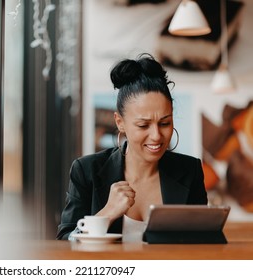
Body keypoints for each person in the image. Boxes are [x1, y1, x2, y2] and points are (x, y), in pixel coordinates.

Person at [56, 53, 208, 241]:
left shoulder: (189, 171)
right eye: (143, 125)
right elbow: (64, 242)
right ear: (120, 122)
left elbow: (202, 243)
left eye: (165, 123)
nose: (156, 136)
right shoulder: (87, 171)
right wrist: (106, 214)